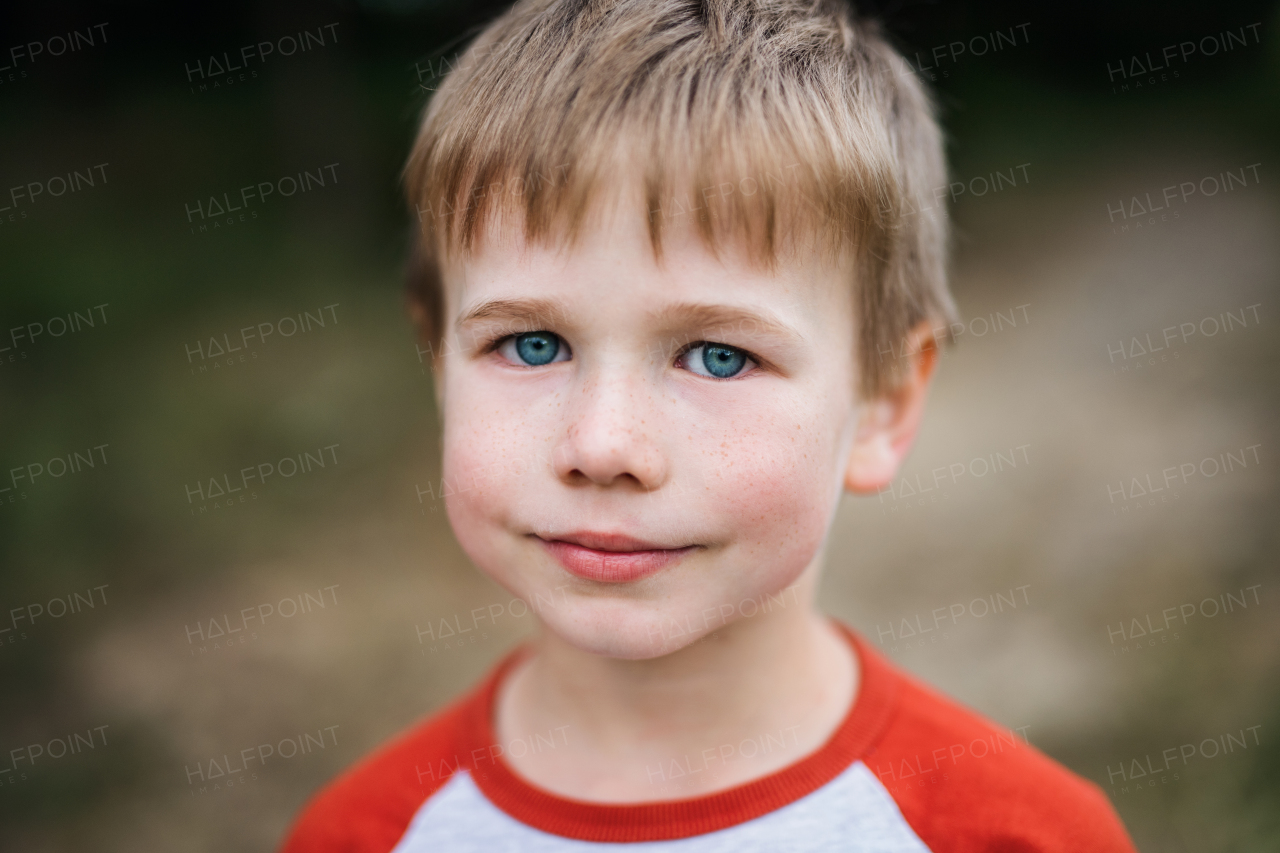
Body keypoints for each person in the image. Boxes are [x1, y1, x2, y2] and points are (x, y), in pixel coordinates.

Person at [281, 1, 1136, 849]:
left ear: (884, 403)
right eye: (531, 344)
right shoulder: (360, 834)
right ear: (438, 364)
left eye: (717, 356)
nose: (604, 447)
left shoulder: (1018, 836)